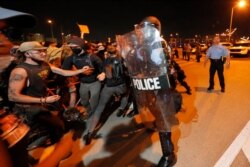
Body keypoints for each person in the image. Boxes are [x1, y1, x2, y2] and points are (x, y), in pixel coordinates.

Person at [118, 16, 179, 167]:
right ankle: (155, 122)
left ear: (155, 30)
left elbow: (162, 64)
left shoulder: (160, 44)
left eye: (146, 29)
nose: (143, 32)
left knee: (163, 119)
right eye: (141, 29)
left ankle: (168, 155)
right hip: (148, 85)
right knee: (154, 111)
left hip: (161, 86)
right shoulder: (140, 46)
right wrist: (127, 56)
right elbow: (137, 65)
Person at [84, 44, 129, 145]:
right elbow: (127, 71)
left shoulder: (106, 61)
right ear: (116, 51)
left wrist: (104, 74)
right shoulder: (121, 59)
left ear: (107, 53)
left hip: (109, 87)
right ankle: (121, 109)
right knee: (125, 95)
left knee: (100, 108)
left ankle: (90, 132)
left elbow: (107, 73)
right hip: (121, 85)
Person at [62, 37, 105, 116]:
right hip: (83, 83)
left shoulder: (92, 57)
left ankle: (95, 114)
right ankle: (89, 110)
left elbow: (103, 67)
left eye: (75, 47)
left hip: (95, 82)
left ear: (81, 46)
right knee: (84, 101)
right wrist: (74, 74)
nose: (73, 49)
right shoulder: (72, 58)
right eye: (71, 47)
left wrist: (103, 73)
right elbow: (64, 70)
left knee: (94, 100)